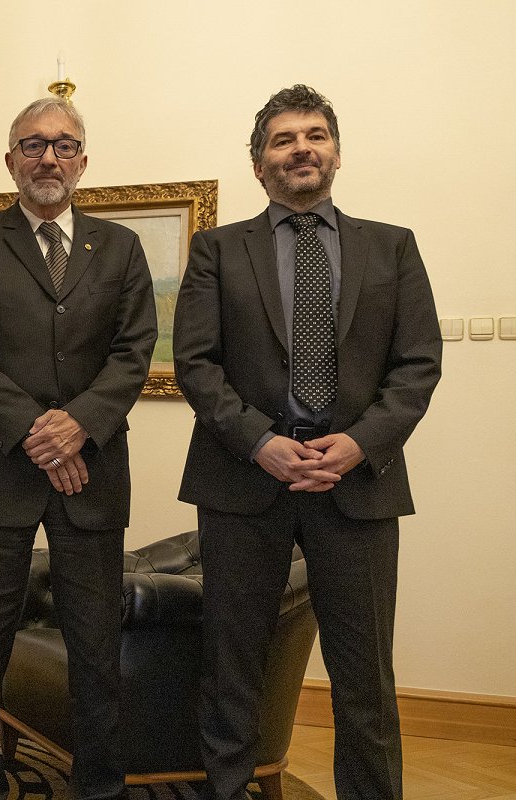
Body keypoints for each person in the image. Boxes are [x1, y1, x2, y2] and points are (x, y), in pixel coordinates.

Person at [173, 84, 442, 800]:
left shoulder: (393, 247)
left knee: (365, 679)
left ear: (337, 153)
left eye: (315, 135)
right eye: (283, 139)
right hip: (242, 483)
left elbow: (418, 364)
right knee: (232, 669)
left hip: (359, 483)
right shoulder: (216, 250)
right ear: (259, 164)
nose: (301, 148)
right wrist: (258, 441)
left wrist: (359, 443)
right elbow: (196, 364)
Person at [0, 96, 158, 800]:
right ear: (10, 161)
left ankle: (98, 787)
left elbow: (133, 351)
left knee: (95, 651)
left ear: (84, 161)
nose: (48, 157)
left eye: (64, 145)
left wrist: (79, 424)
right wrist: (40, 429)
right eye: (32, 145)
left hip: (91, 471)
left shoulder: (119, 246)